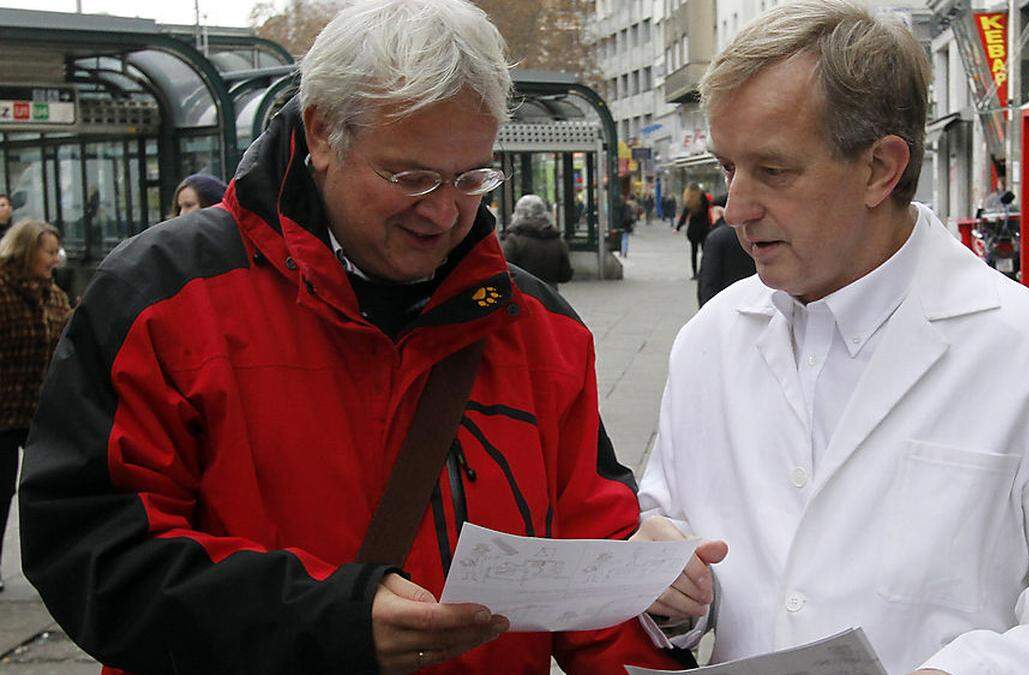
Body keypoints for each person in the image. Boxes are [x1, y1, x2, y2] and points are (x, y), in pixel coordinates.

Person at [19, 1, 693, 673]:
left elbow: (591, 565)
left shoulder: (537, 324)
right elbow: (92, 552)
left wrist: (652, 600)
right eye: (411, 176)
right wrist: (324, 617)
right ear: (321, 134)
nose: (444, 210)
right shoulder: (159, 296)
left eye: (471, 178)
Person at [633, 3, 1029, 674]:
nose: (737, 206)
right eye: (728, 168)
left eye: (772, 171)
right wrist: (665, 579)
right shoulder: (707, 344)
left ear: (879, 169)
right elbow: (672, 530)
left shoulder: (1028, 350)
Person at [0, 220, 71, 594]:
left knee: (54, 484)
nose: (55, 259)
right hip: (3, 409)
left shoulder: (53, 296)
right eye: (48, 251)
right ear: (27, 251)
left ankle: (60, 563)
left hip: (37, 411)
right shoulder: (3, 289)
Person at [501, 194, 573, 290]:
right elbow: (565, 275)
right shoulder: (557, 240)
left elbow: (504, 271)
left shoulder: (514, 241)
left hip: (523, 296)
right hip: (550, 296)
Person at [696, 195, 755, 307]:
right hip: (754, 301)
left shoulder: (716, 237)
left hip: (725, 304)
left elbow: (708, 280)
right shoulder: (753, 233)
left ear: (719, 211)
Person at [674, 184, 711, 279]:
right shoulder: (703, 197)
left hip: (693, 229)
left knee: (693, 252)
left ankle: (694, 274)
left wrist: (677, 228)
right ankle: (703, 271)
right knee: (705, 251)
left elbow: (684, 215)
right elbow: (708, 210)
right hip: (704, 228)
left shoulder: (689, 200)